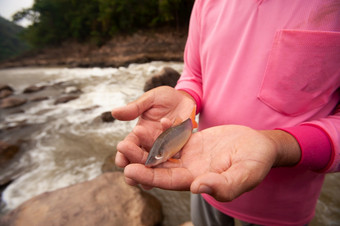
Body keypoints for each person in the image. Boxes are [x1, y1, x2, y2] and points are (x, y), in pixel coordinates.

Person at [112, 1, 340, 225]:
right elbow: (195, 74)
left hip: (283, 205)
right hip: (200, 170)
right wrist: (185, 98)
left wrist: (277, 145)